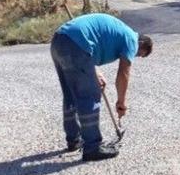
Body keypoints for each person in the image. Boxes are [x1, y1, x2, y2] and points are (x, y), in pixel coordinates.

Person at [51, 13, 152, 161]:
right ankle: (92, 147)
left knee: (71, 95)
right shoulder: (132, 40)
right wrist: (121, 102)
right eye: (138, 54)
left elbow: (92, 42)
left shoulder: (120, 31)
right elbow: (123, 74)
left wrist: (95, 70)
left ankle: (74, 140)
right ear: (141, 43)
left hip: (60, 40)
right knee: (89, 95)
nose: (134, 55)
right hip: (77, 44)